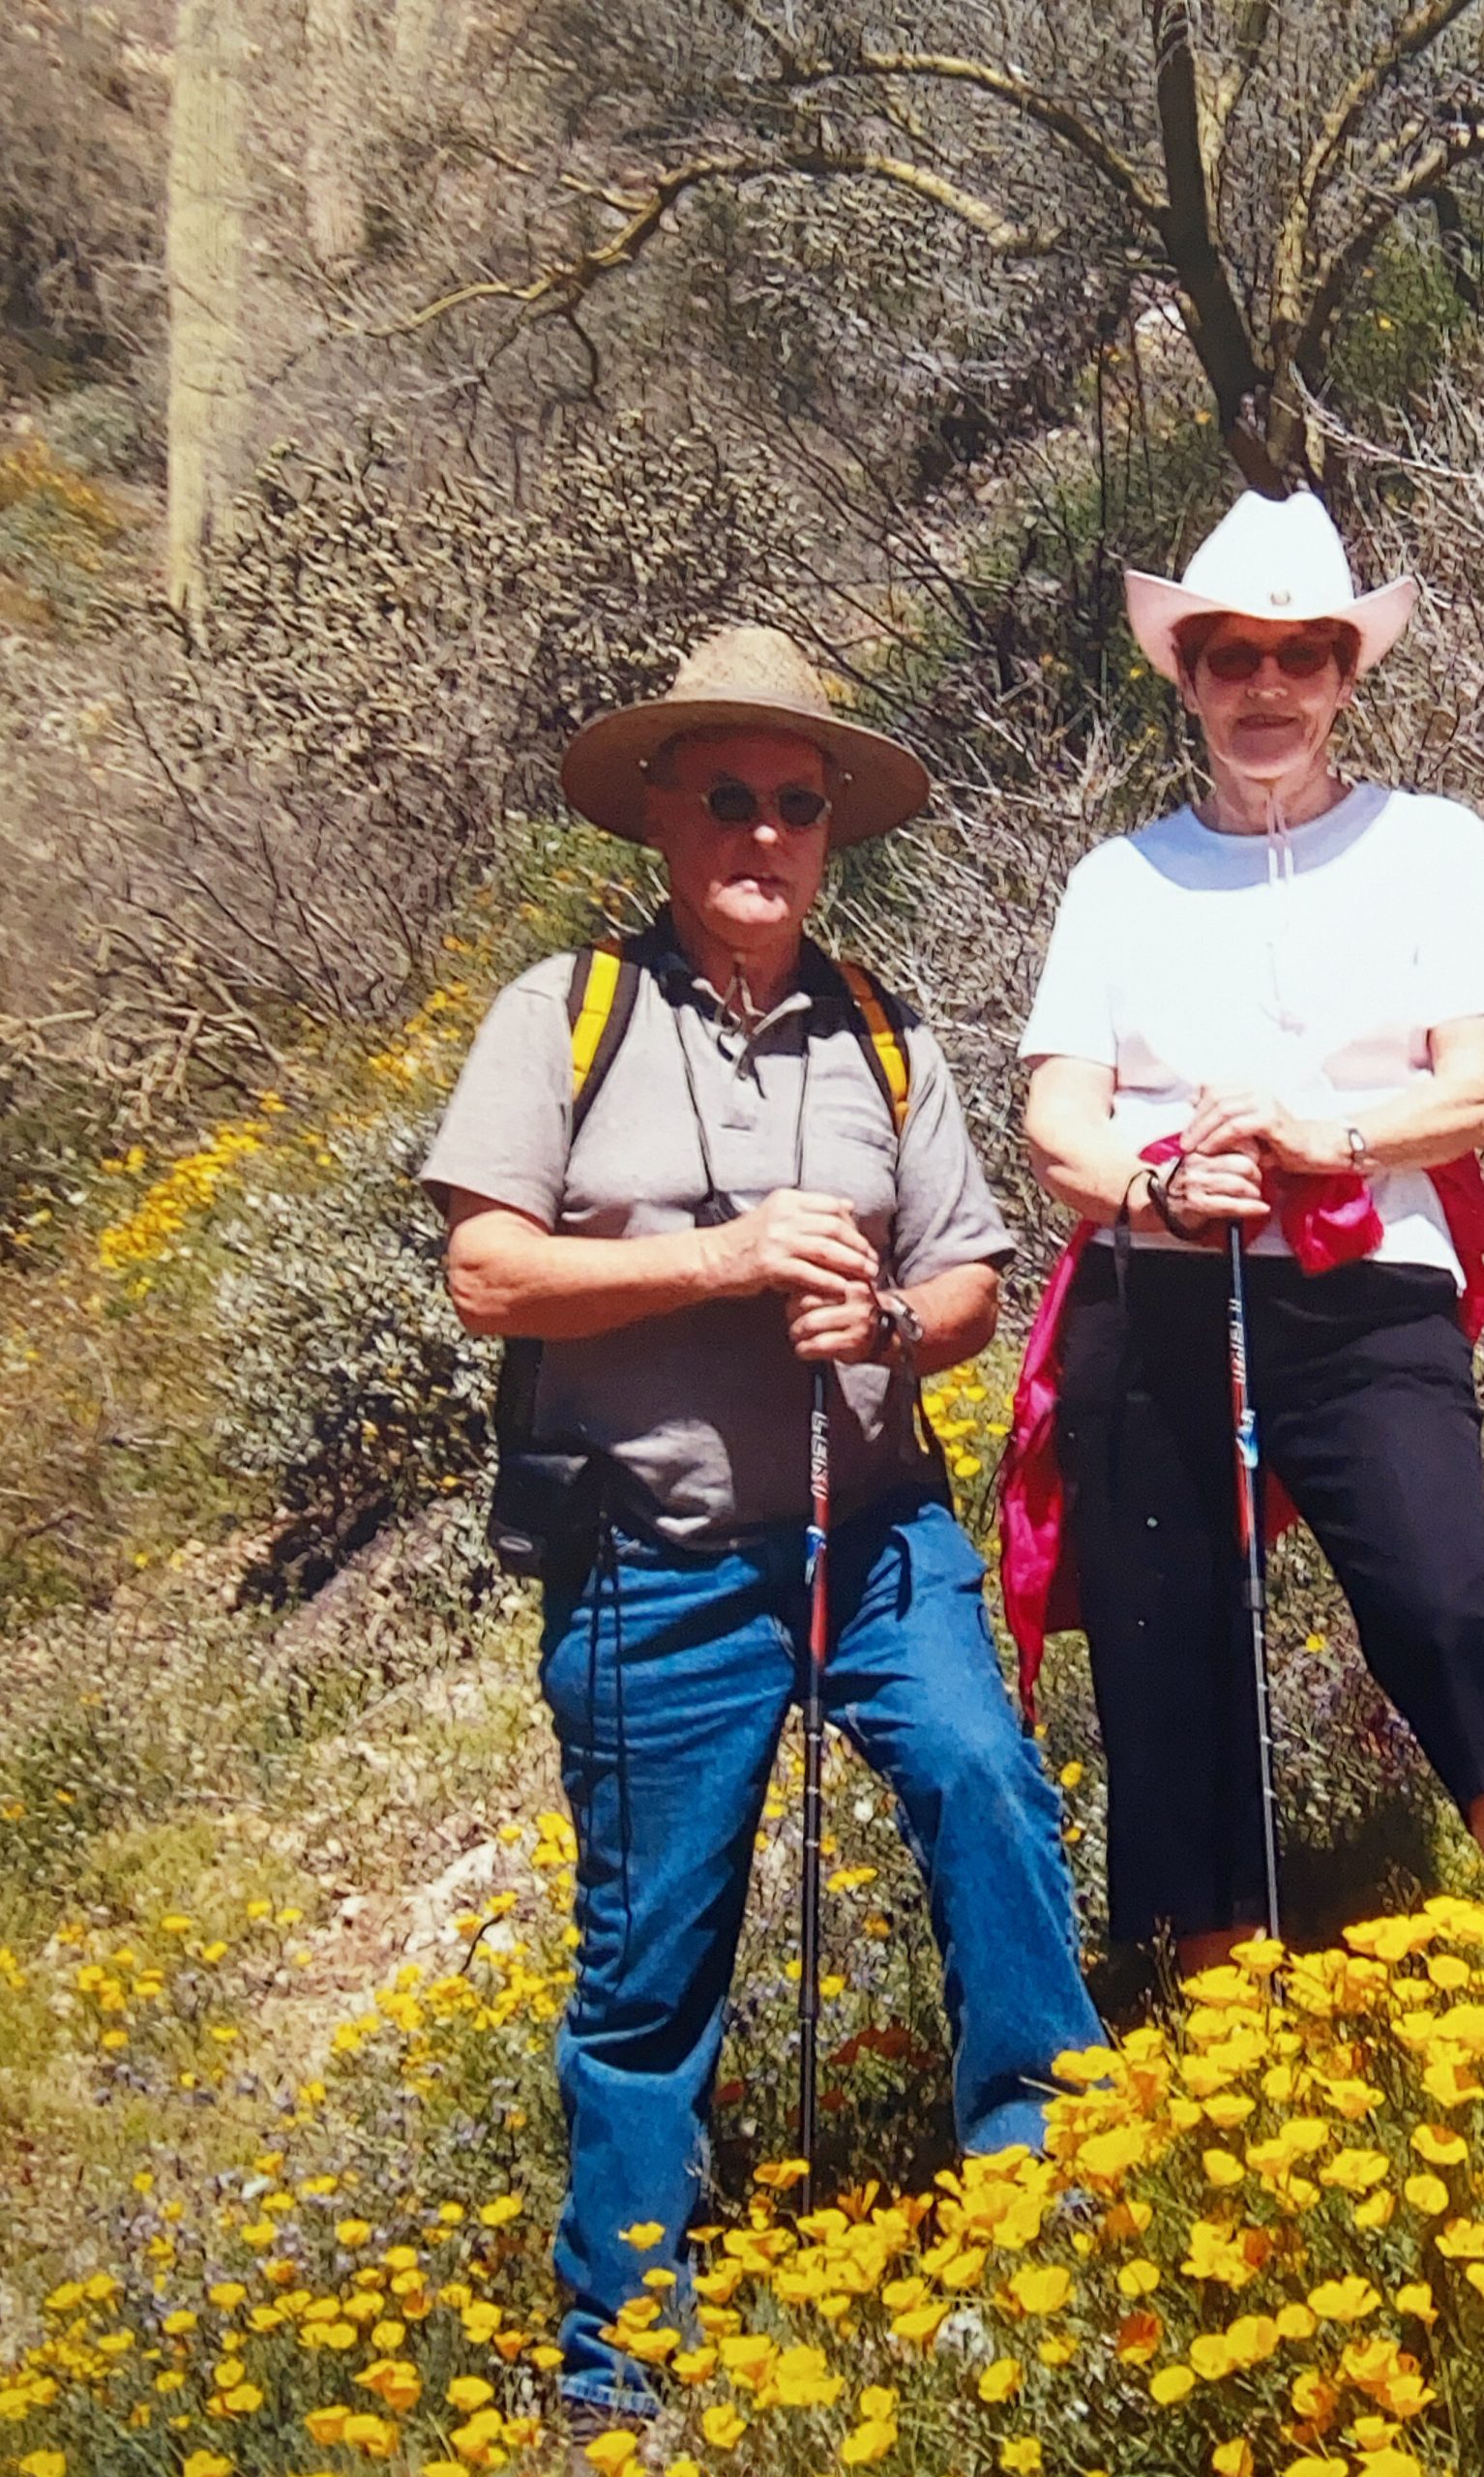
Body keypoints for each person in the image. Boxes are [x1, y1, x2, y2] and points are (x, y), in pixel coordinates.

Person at [420, 626, 1100, 2435]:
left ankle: (1052, 2211)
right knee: (651, 1960)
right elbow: (487, 1274)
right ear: (659, 812)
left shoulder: (882, 1028)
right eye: (728, 796)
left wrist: (881, 1324)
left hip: (874, 1541)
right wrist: (721, 1259)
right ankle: (617, 2365)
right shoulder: (565, 1012)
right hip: (650, 1564)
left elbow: (967, 1287)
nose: (765, 833)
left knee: (987, 1792)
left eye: (798, 805)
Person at [1016, 490, 1484, 1975]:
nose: (1265, 688)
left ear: (1345, 675)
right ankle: (1216, 2025)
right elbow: (1056, 1123)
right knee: (1167, 1647)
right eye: (1231, 657)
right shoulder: (1116, 880)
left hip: (1366, 1290)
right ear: (1188, 678)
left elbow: (1472, 1090)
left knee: (1439, 1602)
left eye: (1300, 656)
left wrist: (1324, 1138)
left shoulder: (1429, 846)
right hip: (1156, 1298)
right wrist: (1154, 1190)